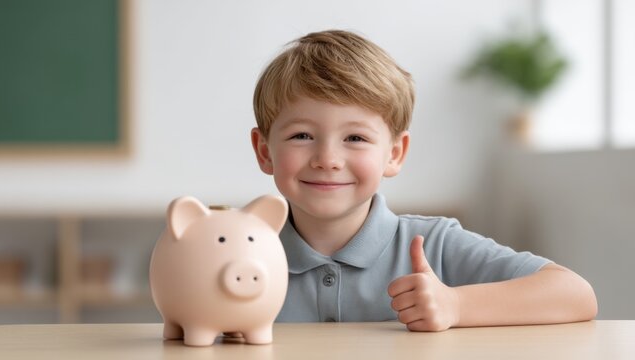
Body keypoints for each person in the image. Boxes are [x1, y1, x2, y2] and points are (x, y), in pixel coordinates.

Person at [249, 29, 597, 331]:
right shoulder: (239, 251)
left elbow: (575, 294)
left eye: (355, 138)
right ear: (264, 151)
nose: (327, 160)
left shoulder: (434, 244)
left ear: (395, 153)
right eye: (301, 136)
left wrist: (455, 305)